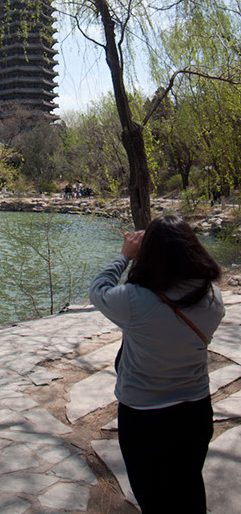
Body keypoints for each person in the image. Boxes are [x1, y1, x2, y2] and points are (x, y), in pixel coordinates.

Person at [89, 214, 225, 514]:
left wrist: (124, 256)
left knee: (153, 495)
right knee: (189, 486)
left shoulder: (133, 301)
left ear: (149, 254)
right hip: (195, 408)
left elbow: (98, 290)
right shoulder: (211, 295)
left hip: (144, 415)